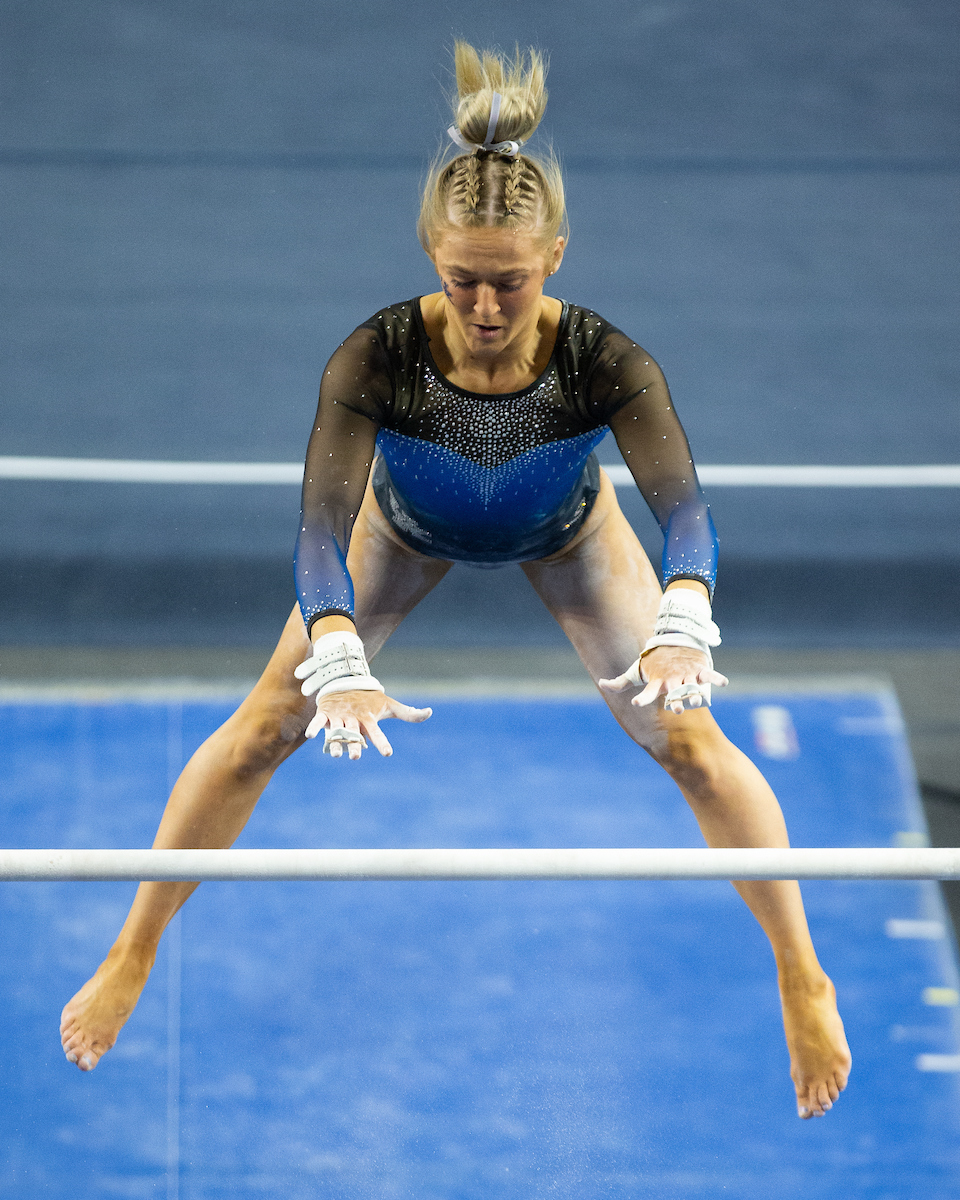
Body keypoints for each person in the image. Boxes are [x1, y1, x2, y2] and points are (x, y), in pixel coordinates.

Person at [60, 43, 850, 1119]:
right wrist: (336, 656)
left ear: (557, 256)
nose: (485, 305)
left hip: (573, 536)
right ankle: (136, 948)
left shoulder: (605, 360)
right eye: (462, 277)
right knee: (260, 730)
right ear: (431, 251)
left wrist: (682, 616)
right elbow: (318, 528)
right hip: (405, 528)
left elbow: (686, 512)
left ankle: (802, 971)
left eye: (510, 281)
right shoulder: (376, 356)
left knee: (697, 746)